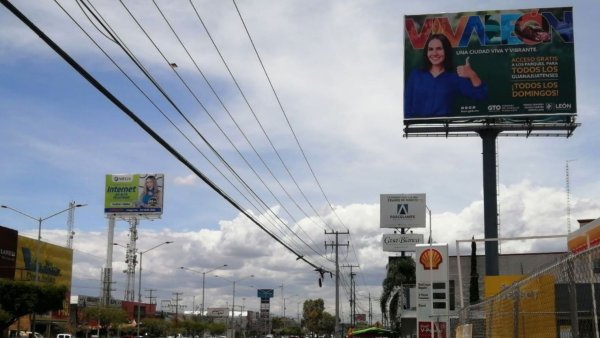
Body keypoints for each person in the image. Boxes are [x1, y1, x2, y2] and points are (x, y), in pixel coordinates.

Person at [404, 34, 488, 118]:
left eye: (439, 49)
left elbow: (481, 95)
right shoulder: (416, 75)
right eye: (430, 49)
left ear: (446, 51)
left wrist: (472, 75)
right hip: (419, 127)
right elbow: (407, 105)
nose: (434, 53)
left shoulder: (455, 78)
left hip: (445, 127)